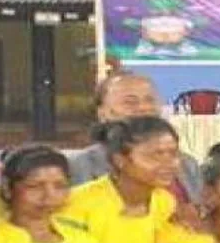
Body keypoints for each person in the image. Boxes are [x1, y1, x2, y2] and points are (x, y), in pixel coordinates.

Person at [68, 72, 202, 202]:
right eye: (130, 102)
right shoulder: (79, 165)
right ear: (102, 113)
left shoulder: (186, 164)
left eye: (149, 100)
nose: (143, 108)